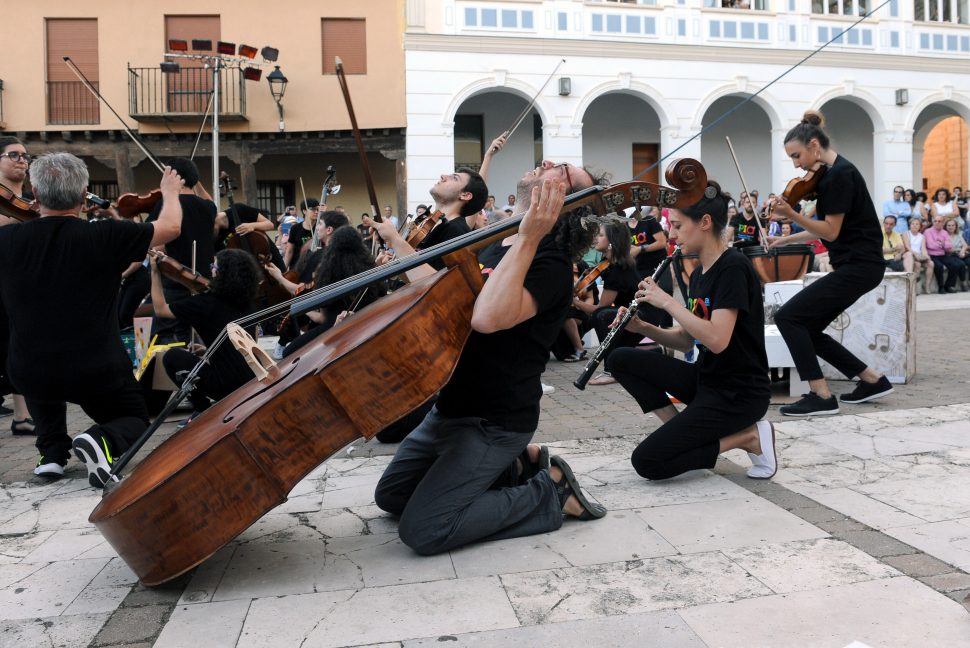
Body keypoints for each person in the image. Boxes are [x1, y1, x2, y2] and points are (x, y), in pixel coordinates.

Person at [373, 166, 604, 557]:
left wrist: (530, 235)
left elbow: (486, 318)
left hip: (493, 421)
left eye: (560, 171)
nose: (546, 165)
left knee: (425, 529)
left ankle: (548, 492)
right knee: (392, 496)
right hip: (449, 410)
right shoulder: (498, 241)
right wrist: (399, 250)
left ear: (568, 203)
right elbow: (442, 293)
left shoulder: (551, 265)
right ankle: (514, 468)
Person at [0, 153, 184, 484]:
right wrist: (169, 192)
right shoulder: (105, 234)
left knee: (40, 371)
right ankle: (102, 440)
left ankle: (52, 454)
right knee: (134, 416)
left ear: (36, 194)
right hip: (95, 367)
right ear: (85, 197)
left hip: (29, 369)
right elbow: (170, 227)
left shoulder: (7, 240)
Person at [606, 181, 776, 480]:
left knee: (648, 462)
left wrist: (668, 302)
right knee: (620, 358)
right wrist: (641, 326)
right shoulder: (698, 274)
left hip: (739, 394)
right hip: (706, 380)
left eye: (677, 225)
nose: (671, 233)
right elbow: (686, 341)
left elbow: (718, 340)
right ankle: (679, 428)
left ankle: (748, 437)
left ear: (705, 223)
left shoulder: (733, 267)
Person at [767, 110, 892, 416]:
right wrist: (784, 240)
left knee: (788, 318)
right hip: (860, 265)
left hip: (859, 266)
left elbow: (831, 231)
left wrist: (791, 215)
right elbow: (825, 228)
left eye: (797, 156)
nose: (797, 164)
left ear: (814, 145)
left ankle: (820, 396)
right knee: (807, 328)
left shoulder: (839, 176)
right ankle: (872, 381)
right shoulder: (833, 174)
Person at [151, 248, 261, 419]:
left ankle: (201, 409)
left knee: (172, 357)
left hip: (226, 386)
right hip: (253, 379)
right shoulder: (248, 303)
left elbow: (160, 309)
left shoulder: (205, 304)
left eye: (214, 266)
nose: (211, 269)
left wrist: (154, 273)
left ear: (222, 273)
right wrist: (208, 351)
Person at [364, 169, 488, 276]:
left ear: (465, 195)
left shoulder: (457, 231)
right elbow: (415, 279)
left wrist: (395, 238)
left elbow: (437, 286)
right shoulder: (431, 224)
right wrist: (392, 268)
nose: (443, 176)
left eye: (454, 178)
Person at [147, 157, 217, 344]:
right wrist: (195, 179)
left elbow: (152, 242)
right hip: (203, 281)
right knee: (202, 337)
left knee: (167, 337)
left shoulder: (166, 205)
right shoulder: (209, 208)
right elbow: (210, 201)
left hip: (175, 279)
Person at [570, 221, 640, 385]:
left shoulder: (617, 270)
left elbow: (599, 309)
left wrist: (573, 301)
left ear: (612, 242)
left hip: (639, 318)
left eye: (600, 235)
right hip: (631, 313)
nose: (595, 238)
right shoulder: (609, 263)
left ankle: (612, 369)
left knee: (601, 316)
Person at [0, 136, 37, 435]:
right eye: (13, 155)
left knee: (23, 343)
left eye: (25, 156)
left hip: (26, 276)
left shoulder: (29, 197)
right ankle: (22, 415)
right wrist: (21, 217)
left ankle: (23, 416)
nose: (22, 160)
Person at [925, 214, 962, 293]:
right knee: (939, 266)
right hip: (932, 255)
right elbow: (930, 245)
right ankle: (941, 287)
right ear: (933, 222)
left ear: (942, 223)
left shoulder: (944, 232)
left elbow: (949, 245)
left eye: (939, 221)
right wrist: (943, 244)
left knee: (955, 265)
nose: (937, 223)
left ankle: (949, 285)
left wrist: (943, 244)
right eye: (935, 221)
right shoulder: (928, 231)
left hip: (943, 254)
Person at [284, 199, 320, 271]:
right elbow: (289, 251)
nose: (316, 212)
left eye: (317, 209)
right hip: (297, 267)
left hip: (315, 268)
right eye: (313, 209)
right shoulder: (295, 228)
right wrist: (283, 270)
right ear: (304, 211)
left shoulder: (320, 227)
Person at [902, 214, 932, 294]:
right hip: (910, 255)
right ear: (910, 225)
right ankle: (913, 288)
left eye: (917, 224)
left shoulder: (922, 236)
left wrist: (926, 256)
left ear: (920, 226)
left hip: (919, 256)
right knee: (917, 264)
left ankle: (927, 286)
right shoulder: (906, 234)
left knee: (931, 263)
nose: (914, 226)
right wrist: (915, 254)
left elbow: (923, 249)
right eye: (913, 224)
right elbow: (907, 246)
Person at [944, 218, 970, 291]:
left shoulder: (958, 234)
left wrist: (962, 251)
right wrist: (958, 251)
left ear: (956, 227)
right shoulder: (944, 235)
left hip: (960, 253)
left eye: (953, 225)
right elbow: (948, 249)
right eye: (949, 225)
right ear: (945, 226)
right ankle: (963, 283)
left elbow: (965, 245)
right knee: (960, 264)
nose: (951, 227)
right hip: (951, 254)